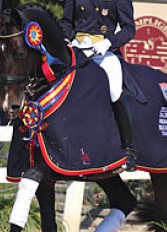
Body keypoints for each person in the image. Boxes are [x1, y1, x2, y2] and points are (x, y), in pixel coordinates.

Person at [61, 0, 137, 172]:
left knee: (114, 90)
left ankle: (128, 150)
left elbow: (129, 29)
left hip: (103, 51)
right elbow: (67, 20)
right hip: (76, 46)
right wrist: (66, 38)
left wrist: (109, 42)